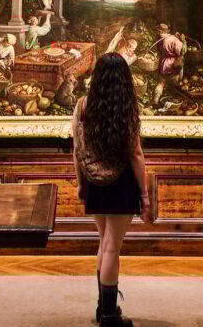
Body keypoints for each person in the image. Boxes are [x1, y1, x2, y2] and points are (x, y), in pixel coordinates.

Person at [72, 52, 153, 327]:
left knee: (104, 242)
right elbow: (136, 154)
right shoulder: (125, 108)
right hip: (121, 184)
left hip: (94, 182)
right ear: (124, 80)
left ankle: (102, 307)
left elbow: (76, 151)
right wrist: (144, 195)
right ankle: (109, 317)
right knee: (111, 248)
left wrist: (81, 185)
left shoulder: (83, 105)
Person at [152, 23, 186, 104]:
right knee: (174, 83)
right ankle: (172, 101)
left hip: (163, 63)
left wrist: (176, 37)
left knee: (161, 83)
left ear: (160, 31)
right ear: (167, 31)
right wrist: (183, 41)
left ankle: (155, 100)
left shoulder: (160, 39)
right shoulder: (173, 39)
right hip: (173, 63)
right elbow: (182, 51)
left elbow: (160, 51)